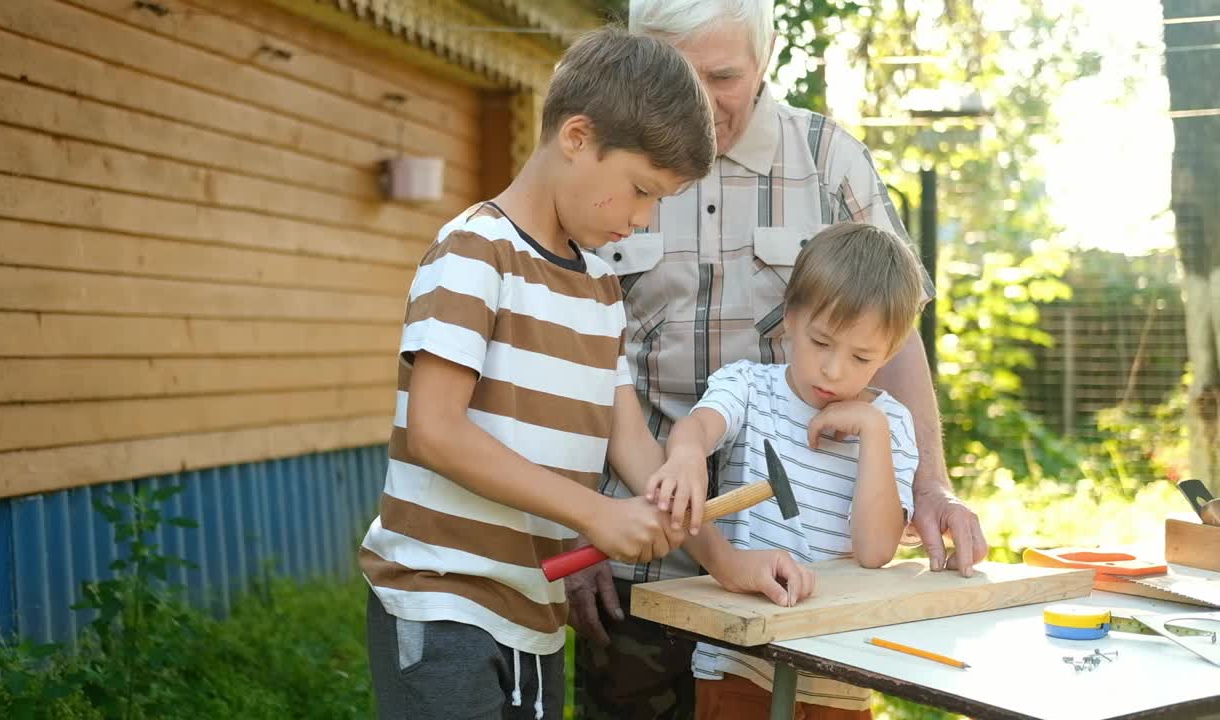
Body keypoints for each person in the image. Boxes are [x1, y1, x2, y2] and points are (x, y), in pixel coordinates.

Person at [569, 2, 990, 718]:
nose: (698, 101)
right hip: (629, 541)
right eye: (676, 74)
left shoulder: (829, 160)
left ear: (765, 62)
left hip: (790, 567)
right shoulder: (608, 162)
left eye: (723, 76)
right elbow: (570, 349)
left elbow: (896, 332)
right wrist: (569, 515)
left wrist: (932, 482)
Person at [358, 27, 717, 720]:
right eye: (640, 191)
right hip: (443, 603)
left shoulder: (602, 289)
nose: (643, 221)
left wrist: (682, 494)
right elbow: (433, 432)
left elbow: (630, 446)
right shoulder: (474, 254)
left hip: (537, 613)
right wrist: (594, 514)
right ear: (577, 137)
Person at [653, 222, 926, 719]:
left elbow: (874, 551)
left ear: (890, 350)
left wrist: (873, 431)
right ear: (792, 318)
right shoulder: (749, 388)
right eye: (822, 342)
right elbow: (697, 429)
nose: (834, 370)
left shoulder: (892, 427)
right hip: (739, 660)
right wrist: (687, 455)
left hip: (840, 672)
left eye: (861, 356)